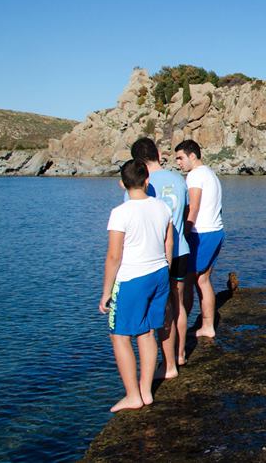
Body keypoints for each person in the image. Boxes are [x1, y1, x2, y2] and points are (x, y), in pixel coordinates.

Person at [100, 159, 172, 412]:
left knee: (119, 335)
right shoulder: (162, 207)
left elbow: (114, 256)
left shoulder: (121, 213)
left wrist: (106, 292)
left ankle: (132, 395)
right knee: (147, 332)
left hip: (133, 279)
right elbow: (168, 244)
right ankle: (145, 391)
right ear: (146, 180)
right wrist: (165, 270)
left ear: (122, 183)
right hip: (160, 274)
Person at [128, 137, 190, 376]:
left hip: (155, 258)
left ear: (138, 161)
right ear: (157, 153)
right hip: (181, 250)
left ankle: (166, 363)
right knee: (179, 305)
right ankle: (180, 354)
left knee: (162, 311)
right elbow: (185, 213)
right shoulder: (178, 180)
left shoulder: (141, 184)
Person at [174, 139, 224, 339]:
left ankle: (188, 325)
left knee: (191, 281)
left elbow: (192, 207)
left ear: (192, 155)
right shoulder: (211, 174)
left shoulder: (195, 175)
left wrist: (183, 233)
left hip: (201, 233)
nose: (178, 162)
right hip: (216, 231)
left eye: (180, 158)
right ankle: (206, 325)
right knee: (203, 280)